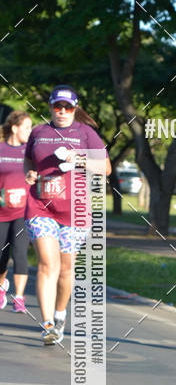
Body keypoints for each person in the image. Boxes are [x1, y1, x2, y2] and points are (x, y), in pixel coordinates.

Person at [24, 85, 111, 344]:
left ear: (75, 109)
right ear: (50, 107)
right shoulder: (39, 132)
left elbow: (105, 168)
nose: (62, 111)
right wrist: (28, 174)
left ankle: (60, 313)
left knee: (65, 268)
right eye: (57, 106)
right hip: (41, 207)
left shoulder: (86, 134)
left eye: (68, 107)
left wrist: (81, 159)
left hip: (76, 212)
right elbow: (29, 160)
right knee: (46, 264)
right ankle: (48, 323)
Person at [0, 110, 32, 312]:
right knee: (2, 255)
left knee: (20, 253)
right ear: (14, 128)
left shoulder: (29, 152)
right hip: (1, 212)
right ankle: (1, 288)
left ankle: (19, 298)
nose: (30, 131)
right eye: (27, 127)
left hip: (23, 211)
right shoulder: (1, 149)